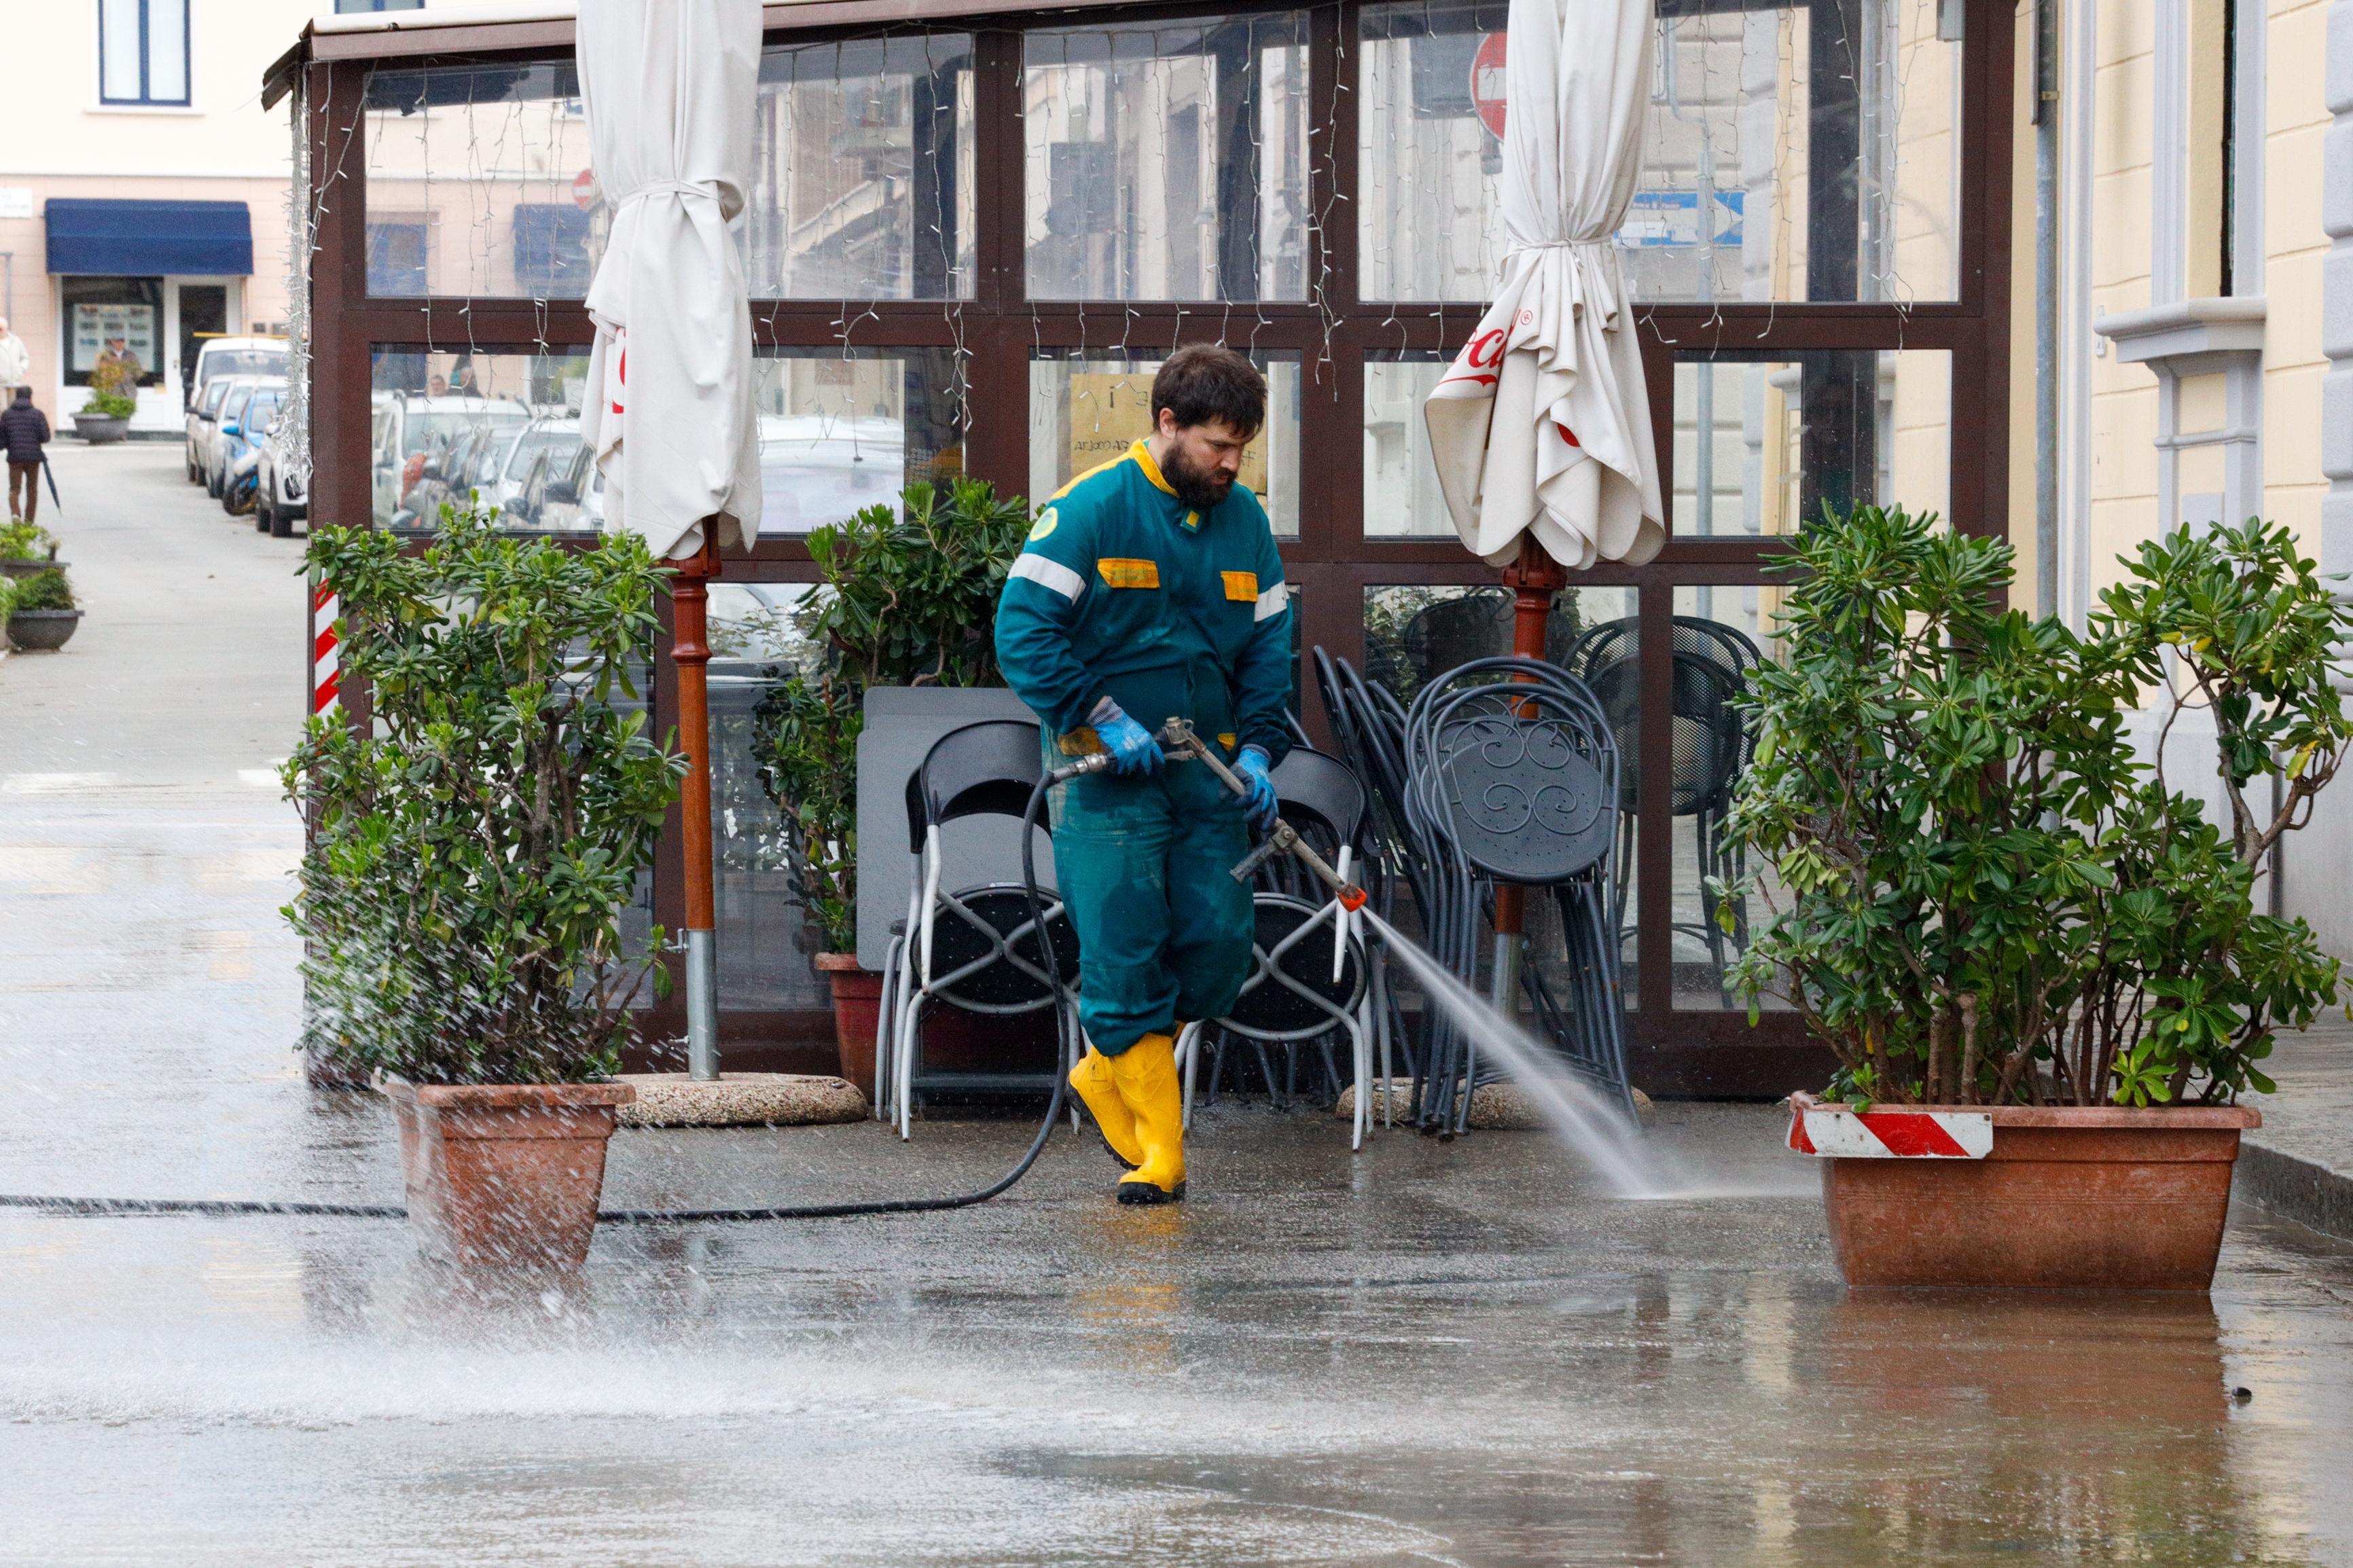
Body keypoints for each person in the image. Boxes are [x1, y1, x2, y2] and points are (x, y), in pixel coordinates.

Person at [994, 345, 1291, 1205]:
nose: (1231, 464)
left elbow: (1268, 646)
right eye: (1215, 445)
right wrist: (1100, 712)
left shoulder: (1245, 525)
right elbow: (1023, 631)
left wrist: (1262, 749)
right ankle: (1161, 1155)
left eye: (1242, 448)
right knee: (1124, 953)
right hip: (1105, 775)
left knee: (1214, 949)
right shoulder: (1087, 510)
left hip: (1210, 773)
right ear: (1165, 424)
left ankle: (1103, 1067)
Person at [3, 386, 52, 524]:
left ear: (16, 397)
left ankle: (15, 514)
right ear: (30, 397)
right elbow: (45, 437)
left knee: (14, 488)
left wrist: (9, 445)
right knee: (32, 490)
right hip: (33, 458)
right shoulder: (38, 414)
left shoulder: (7, 415)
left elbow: (2, 438)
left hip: (15, 458)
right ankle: (29, 522)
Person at [91, 335, 143, 399]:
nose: (119, 343)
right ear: (113, 342)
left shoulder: (131, 355)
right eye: (117, 341)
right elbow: (100, 372)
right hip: (111, 392)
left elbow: (138, 373)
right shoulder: (106, 356)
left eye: (122, 341)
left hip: (129, 391)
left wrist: (129, 378)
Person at [0, 318, 29, 397]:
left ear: (6, 328)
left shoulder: (16, 341)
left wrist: (21, 369)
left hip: (14, 382)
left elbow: (24, 358)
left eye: (0, 329)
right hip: (1, 384)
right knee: (2, 408)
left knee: (13, 407)